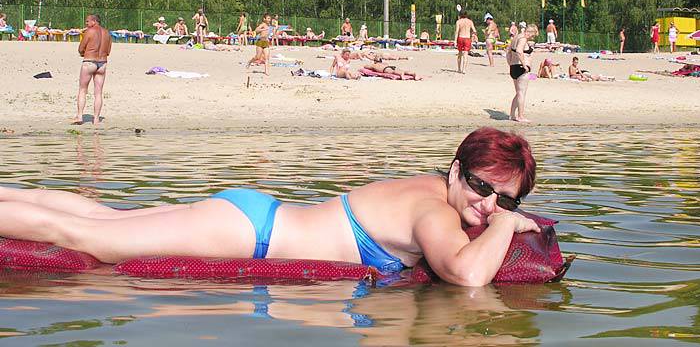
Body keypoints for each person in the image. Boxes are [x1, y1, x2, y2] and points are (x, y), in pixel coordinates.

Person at [0, 128, 539, 286]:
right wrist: (509, 225)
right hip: (248, 236)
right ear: (455, 170)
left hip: (251, 217)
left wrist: (496, 215)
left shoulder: (430, 189)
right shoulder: (436, 213)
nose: (488, 204)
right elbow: (466, 276)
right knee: (87, 236)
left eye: (506, 198)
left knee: (102, 218)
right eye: (480, 185)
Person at [73, 14, 112, 126]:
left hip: (89, 61)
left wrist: (83, 53)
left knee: (82, 89)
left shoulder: (89, 31)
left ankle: (80, 116)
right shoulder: (107, 33)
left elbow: (81, 48)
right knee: (98, 92)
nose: (86, 23)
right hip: (102, 63)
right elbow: (108, 51)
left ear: (94, 21)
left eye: (87, 21)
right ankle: (96, 119)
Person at [507, 23, 536, 122]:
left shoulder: (516, 37)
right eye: (533, 35)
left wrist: (510, 64)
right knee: (522, 93)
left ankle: (512, 115)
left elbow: (508, 52)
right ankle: (520, 116)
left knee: (519, 93)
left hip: (514, 67)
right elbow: (519, 51)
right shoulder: (523, 39)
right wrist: (524, 65)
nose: (532, 38)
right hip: (521, 68)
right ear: (530, 32)